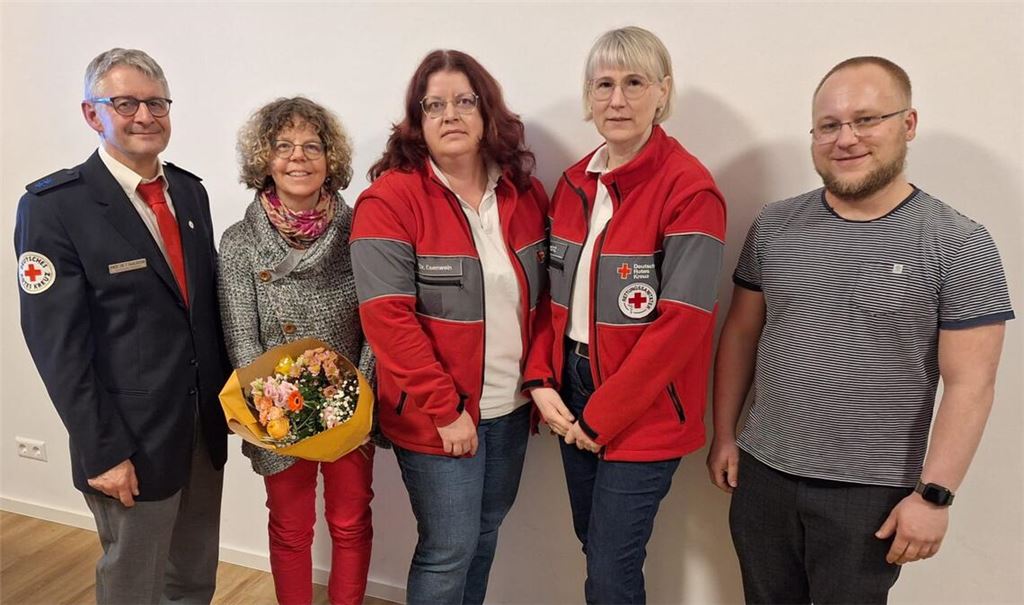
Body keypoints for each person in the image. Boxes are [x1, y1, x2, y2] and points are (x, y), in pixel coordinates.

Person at [707, 56, 1015, 604]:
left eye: (867, 120)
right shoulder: (774, 225)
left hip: (870, 495)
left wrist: (935, 496)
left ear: (908, 124)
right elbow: (740, 334)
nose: (846, 138)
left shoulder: (958, 242)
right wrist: (726, 434)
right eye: (829, 125)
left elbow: (972, 384)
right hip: (762, 477)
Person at [14, 48, 230, 604]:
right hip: (129, 440)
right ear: (93, 114)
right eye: (126, 103)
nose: (145, 116)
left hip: (201, 430)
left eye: (157, 103)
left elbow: (202, 313)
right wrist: (102, 449)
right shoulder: (54, 207)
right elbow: (57, 347)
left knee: (193, 579)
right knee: (134, 584)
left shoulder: (190, 192)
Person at [523, 26, 727, 604]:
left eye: (634, 83)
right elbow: (550, 299)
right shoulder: (572, 184)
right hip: (572, 385)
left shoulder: (691, 190)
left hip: (646, 405)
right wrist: (540, 378)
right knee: (595, 545)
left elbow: (681, 326)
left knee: (611, 568)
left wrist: (602, 417)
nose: (617, 100)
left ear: (662, 92)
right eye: (604, 85)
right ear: (588, 97)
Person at [350, 49, 549, 605]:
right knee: (448, 550)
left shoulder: (525, 195)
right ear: (418, 121)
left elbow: (545, 303)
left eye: (464, 101)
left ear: (487, 113)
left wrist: (538, 382)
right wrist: (445, 409)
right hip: (438, 416)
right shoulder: (388, 201)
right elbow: (388, 320)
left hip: (511, 408)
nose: (450, 115)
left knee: (484, 537)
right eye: (433, 105)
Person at [217, 97, 375, 605]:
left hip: (351, 400)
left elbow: (379, 320)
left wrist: (358, 391)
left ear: (331, 159)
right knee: (289, 527)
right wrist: (275, 404)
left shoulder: (363, 229)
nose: (297, 157)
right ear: (265, 159)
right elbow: (241, 336)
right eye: (283, 146)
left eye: (311, 146)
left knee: (350, 521)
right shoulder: (239, 242)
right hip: (277, 409)